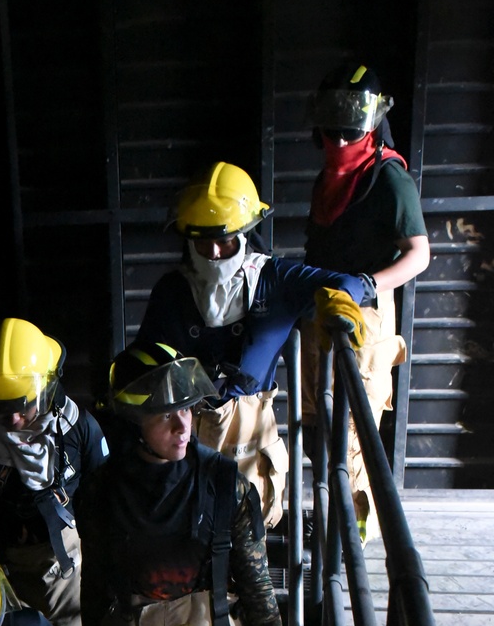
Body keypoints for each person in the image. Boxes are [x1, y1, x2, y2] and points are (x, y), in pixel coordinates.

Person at [74, 345, 320, 626]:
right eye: (165, 415)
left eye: (186, 410)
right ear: (135, 421)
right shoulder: (101, 491)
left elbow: (258, 586)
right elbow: (95, 579)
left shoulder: (225, 485)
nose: (182, 425)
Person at [133, 161, 374, 528]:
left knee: (247, 529)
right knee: (185, 531)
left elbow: (345, 283)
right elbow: (143, 365)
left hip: (250, 433)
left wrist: (337, 299)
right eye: (202, 240)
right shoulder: (172, 292)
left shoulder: (274, 279)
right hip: (185, 432)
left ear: (245, 233)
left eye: (224, 240)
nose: (213, 252)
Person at [300, 61, 430, 539]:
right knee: (318, 424)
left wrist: (371, 284)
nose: (337, 136)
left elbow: (419, 255)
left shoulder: (387, 178)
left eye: (349, 119)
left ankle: (351, 535)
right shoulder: (328, 179)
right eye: (330, 119)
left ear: (372, 119)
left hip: (365, 319)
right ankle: (332, 517)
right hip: (322, 313)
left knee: (352, 435)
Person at [0, 317, 109, 626]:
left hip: (63, 556)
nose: (14, 419)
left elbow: (106, 493)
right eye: (1, 410)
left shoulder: (79, 428)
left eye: (22, 406)